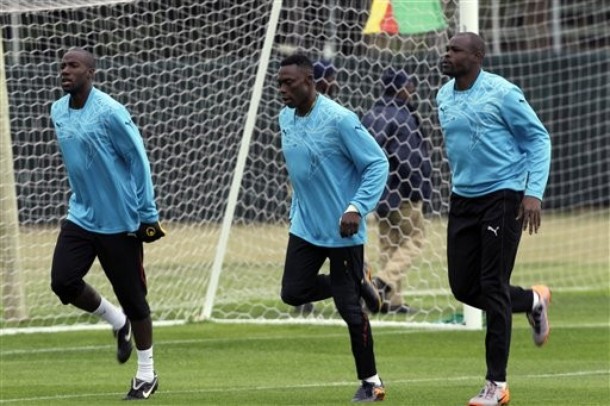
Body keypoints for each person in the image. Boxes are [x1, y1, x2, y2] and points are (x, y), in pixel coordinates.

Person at [436, 32, 552, 406]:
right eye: (447, 48)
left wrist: (532, 192)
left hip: (503, 196)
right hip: (463, 199)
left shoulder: (502, 93)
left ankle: (496, 385)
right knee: (463, 288)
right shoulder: (442, 96)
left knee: (492, 284)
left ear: (477, 56)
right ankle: (532, 300)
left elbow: (539, 139)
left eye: (455, 50)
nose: (447, 54)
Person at [49, 48, 165, 400]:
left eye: (73, 65)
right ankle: (117, 321)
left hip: (121, 222)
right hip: (81, 216)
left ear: (91, 72)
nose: (65, 70)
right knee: (63, 282)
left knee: (135, 299)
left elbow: (138, 159)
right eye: (63, 65)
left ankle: (146, 374)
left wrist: (147, 214)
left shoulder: (111, 112)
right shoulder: (57, 111)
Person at [278, 54, 388, 402]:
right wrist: (296, 210)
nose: (282, 90)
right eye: (279, 83)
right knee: (292, 292)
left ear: (309, 81)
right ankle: (358, 282)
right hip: (305, 227)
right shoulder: (284, 117)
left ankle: (371, 382)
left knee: (349, 309)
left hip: (344, 231)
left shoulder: (340, 119)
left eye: (289, 83)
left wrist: (356, 208)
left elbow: (377, 164)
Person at [362, 67, 432, 314]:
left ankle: (391, 302)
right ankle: (382, 283)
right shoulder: (403, 117)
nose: (412, 90)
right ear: (401, 88)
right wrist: (418, 189)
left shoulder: (371, 115)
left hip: (378, 193)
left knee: (389, 245)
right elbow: (409, 159)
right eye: (409, 85)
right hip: (402, 191)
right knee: (415, 239)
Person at [292, 58, 339, 316]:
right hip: (307, 191)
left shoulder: (336, 113)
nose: (334, 82)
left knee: (337, 242)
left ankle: (354, 284)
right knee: (307, 239)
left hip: (332, 191)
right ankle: (303, 294)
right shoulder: (296, 112)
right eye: (330, 77)